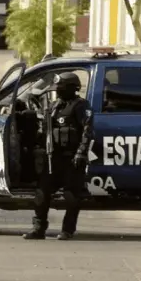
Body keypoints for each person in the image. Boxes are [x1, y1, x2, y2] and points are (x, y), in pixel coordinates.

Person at [24, 72, 94, 240]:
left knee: (71, 197)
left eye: (61, 88)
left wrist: (80, 153)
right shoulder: (55, 106)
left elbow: (87, 131)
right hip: (53, 158)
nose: (58, 92)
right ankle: (38, 229)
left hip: (72, 158)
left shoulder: (81, 106)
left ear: (71, 88)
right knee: (41, 194)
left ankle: (67, 230)